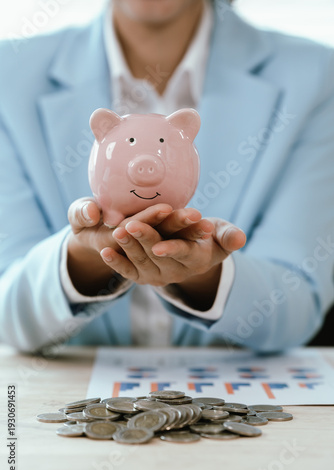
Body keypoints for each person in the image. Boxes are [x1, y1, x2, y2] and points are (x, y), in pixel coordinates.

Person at [0, 0, 333, 353]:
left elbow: (296, 309)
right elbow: (7, 313)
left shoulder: (316, 77)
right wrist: (82, 257)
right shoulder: (9, 74)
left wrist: (206, 273)